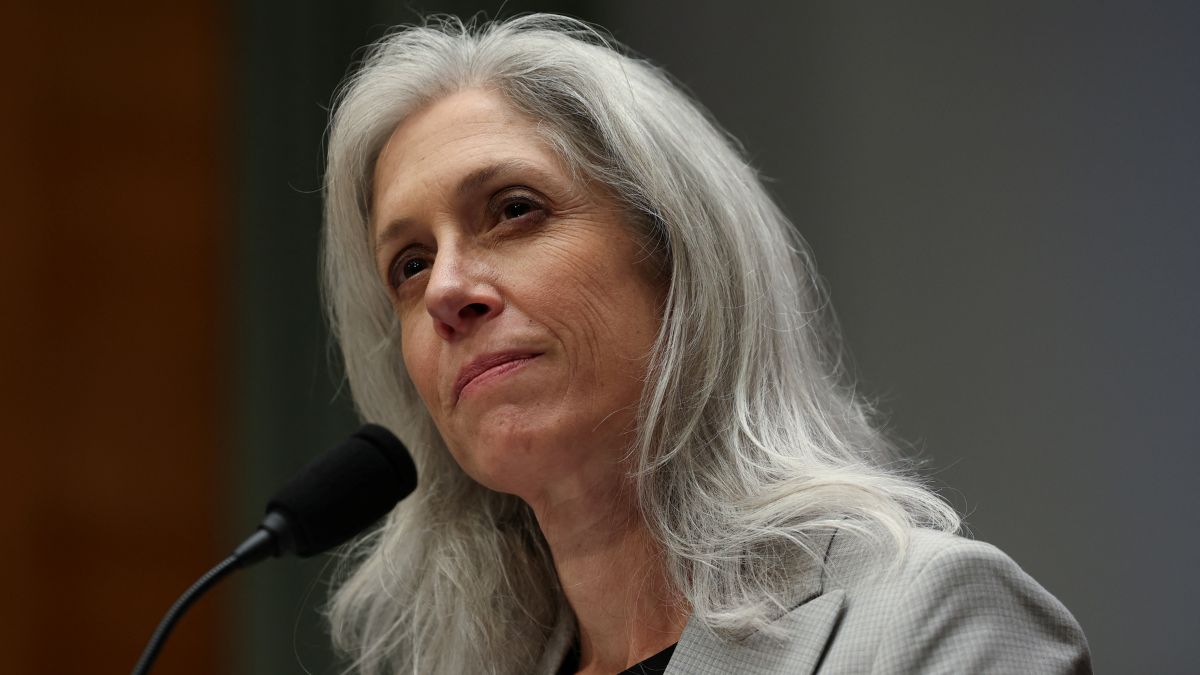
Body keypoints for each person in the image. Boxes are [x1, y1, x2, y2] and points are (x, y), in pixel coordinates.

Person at [319, 14, 1090, 675]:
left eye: (514, 210)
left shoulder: (933, 622)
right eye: (410, 265)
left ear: (677, 254)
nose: (448, 290)